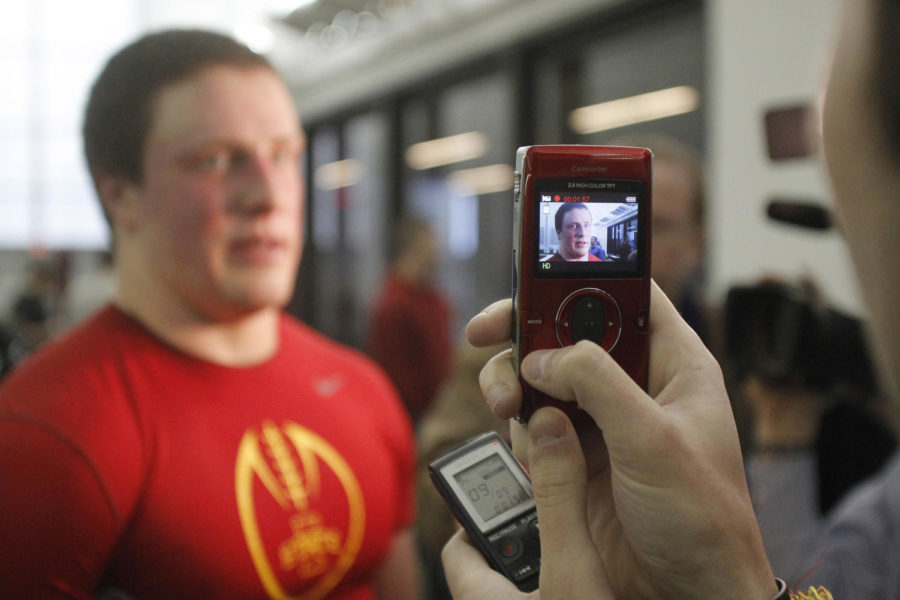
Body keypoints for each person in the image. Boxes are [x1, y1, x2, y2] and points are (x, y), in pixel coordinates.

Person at [441, 0, 900, 598]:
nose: (639, 251)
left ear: (701, 242)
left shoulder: (741, 345)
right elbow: (441, 494)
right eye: (575, 230)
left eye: (665, 226)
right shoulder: (508, 352)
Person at [0, 30, 420, 600]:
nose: (269, 195)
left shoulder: (360, 387)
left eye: (283, 156)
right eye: (216, 160)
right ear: (120, 195)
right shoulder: (46, 438)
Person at [368, 218, 453, 425]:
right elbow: (396, 376)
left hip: (437, 409)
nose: (435, 257)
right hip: (413, 417)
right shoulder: (395, 305)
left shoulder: (431, 297)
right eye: (429, 250)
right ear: (412, 250)